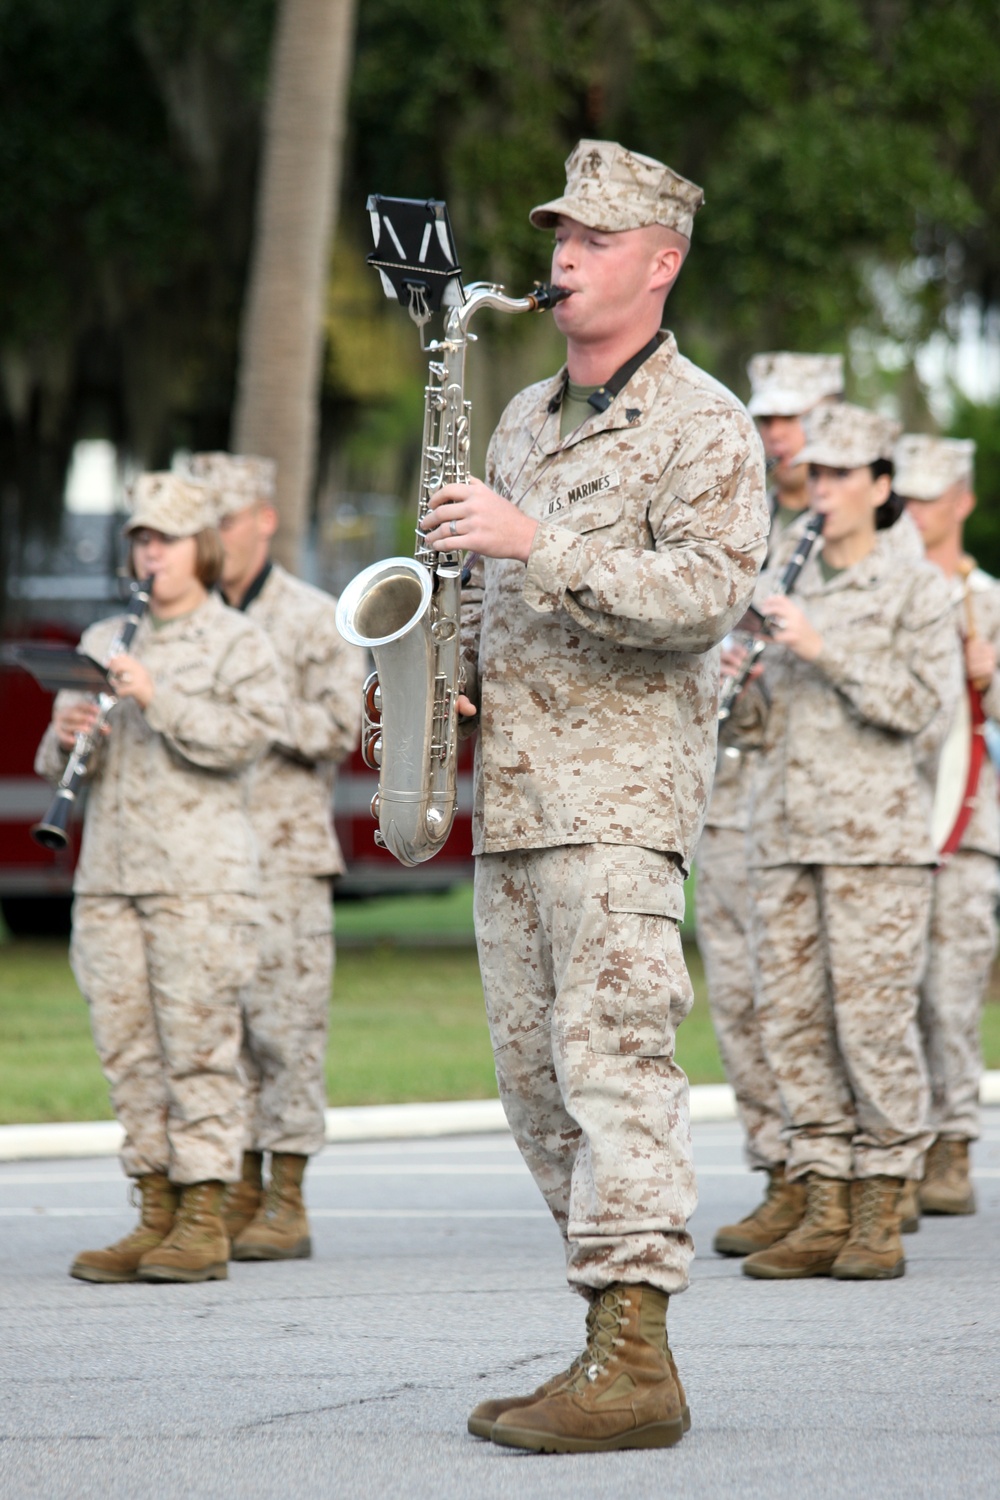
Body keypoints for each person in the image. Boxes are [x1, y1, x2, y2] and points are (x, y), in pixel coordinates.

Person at [421, 138, 769, 1452]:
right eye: (559, 235)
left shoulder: (707, 425)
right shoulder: (517, 418)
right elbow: (496, 600)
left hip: (620, 804)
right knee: (533, 1088)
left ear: (662, 263)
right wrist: (446, 681)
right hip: (514, 802)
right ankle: (605, 1341)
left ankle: (637, 1361)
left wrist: (536, 541)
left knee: (615, 1072)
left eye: (597, 239)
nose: (562, 258)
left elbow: (701, 603)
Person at [728, 404, 961, 1283]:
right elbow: (752, 728)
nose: (820, 488)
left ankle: (880, 1205)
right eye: (814, 473)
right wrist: (742, 673)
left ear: (881, 484)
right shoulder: (787, 577)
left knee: (871, 1026)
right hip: (783, 832)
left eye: (840, 474)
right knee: (791, 1021)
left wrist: (822, 650)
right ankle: (822, 1199)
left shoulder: (915, 589)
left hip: (874, 843)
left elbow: (921, 710)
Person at [35, 473, 288, 1284]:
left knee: (200, 1048)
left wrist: (158, 693)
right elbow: (56, 764)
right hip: (109, 876)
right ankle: (153, 1212)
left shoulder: (236, 640)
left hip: (201, 882)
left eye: (165, 541)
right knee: (128, 1049)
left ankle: (206, 1215)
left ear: (201, 550)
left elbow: (246, 740)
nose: (150, 555)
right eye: (141, 541)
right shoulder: (108, 634)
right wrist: (69, 728)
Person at [185, 451, 365, 1258]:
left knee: (285, 1028)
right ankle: (237, 1187)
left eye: (223, 522)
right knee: (214, 1027)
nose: (213, 542)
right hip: (199, 854)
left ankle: (286, 1196)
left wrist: (248, 711)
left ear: (262, 518)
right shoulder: (184, 621)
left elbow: (339, 729)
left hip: (286, 853)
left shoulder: (312, 615)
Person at [702, 353, 844, 1259]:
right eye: (767, 418)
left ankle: (845, 1175)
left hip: (815, 793)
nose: (776, 434)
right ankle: (778, 1170)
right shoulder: (749, 518)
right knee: (742, 993)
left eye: (794, 417)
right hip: (733, 783)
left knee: (816, 996)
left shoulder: (861, 530)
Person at [897, 433, 1000, 1218]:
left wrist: (987, 680)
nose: (917, 509)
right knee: (885, 995)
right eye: (908, 492)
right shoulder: (889, 591)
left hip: (967, 829)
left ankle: (953, 1144)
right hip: (887, 824)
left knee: (951, 993)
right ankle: (898, 1151)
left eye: (932, 495)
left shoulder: (988, 601)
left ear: (963, 501)